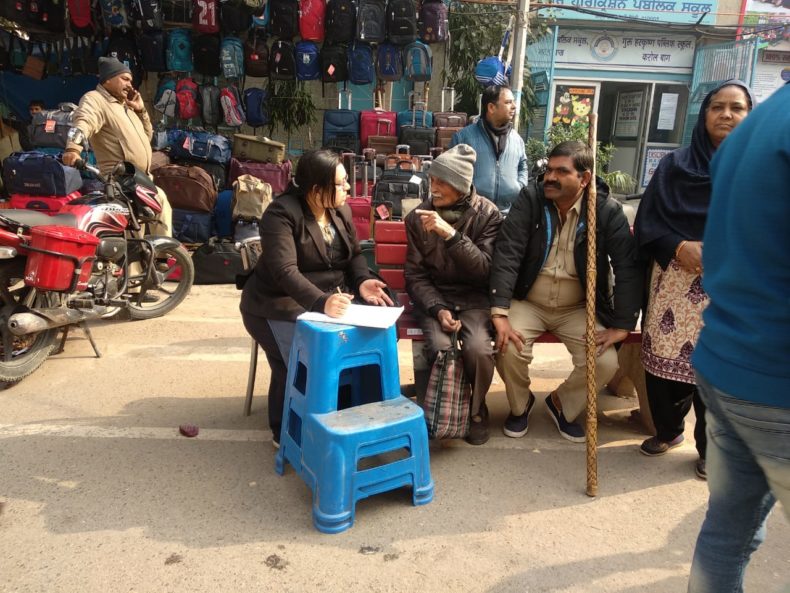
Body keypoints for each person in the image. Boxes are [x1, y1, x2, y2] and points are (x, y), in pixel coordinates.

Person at [686, 81, 790, 593]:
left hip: (725, 362)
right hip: (775, 379)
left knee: (727, 534)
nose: (726, 115)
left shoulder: (754, 131)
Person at [633, 80, 755, 479]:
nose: (727, 115)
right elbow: (649, 220)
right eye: (717, 107)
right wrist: (678, 246)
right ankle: (668, 431)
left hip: (732, 289)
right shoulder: (676, 166)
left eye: (737, 108)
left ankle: (710, 449)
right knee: (661, 369)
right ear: (703, 115)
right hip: (675, 284)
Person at [240, 149, 394, 447]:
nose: (348, 188)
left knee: (375, 329)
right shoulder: (281, 214)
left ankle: (353, 410)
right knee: (303, 356)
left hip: (332, 300)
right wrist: (321, 302)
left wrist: (362, 282)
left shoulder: (341, 210)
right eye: (341, 183)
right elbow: (285, 271)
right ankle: (286, 428)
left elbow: (355, 256)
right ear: (316, 189)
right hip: (278, 303)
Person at [489, 141, 641, 442]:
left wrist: (623, 324)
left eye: (562, 171)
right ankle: (520, 406)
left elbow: (627, 266)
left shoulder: (605, 211)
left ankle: (563, 404)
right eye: (549, 170)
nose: (550, 177)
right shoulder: (531, 200)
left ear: (584, 179)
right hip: (529, 300)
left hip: (578, 307)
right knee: (508, 346)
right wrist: (500, 311)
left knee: (606, 362)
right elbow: (508, 252)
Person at [404, 144, 503, 445]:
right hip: (436, 298)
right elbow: (415, 275)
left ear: (461, 184)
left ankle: (476, 410)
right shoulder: (417, 217)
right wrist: (437, 308)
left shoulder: (488, 215)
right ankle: (441, 410)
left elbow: (485, 270)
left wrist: (450, 235)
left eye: (441, 181)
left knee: (477, 349)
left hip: (475, 298)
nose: (433, 187)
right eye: (432, 179)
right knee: (439, 345)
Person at [62, 57, 170, 236]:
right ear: (107, 80)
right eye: (124, 79)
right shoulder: (95, 100)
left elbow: (147, 136)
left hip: (141, 181)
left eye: (130, 80)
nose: (129, 84)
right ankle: (162, 257)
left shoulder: (125, 105)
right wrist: (73, 148)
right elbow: (83, 122)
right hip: (120, 182)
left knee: (143, 228)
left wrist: (141, 110)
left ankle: (160, 258)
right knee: (134, 234)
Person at [449, 85, 528, 213]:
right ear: (491, 107)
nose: (514, 106)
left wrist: (519, 187)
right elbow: (451, 171)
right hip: (473, 215)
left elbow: (522, 165)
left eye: (513, 102)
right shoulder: (464, 138)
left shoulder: (516, 139)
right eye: (508, 102)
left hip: (507, 215)